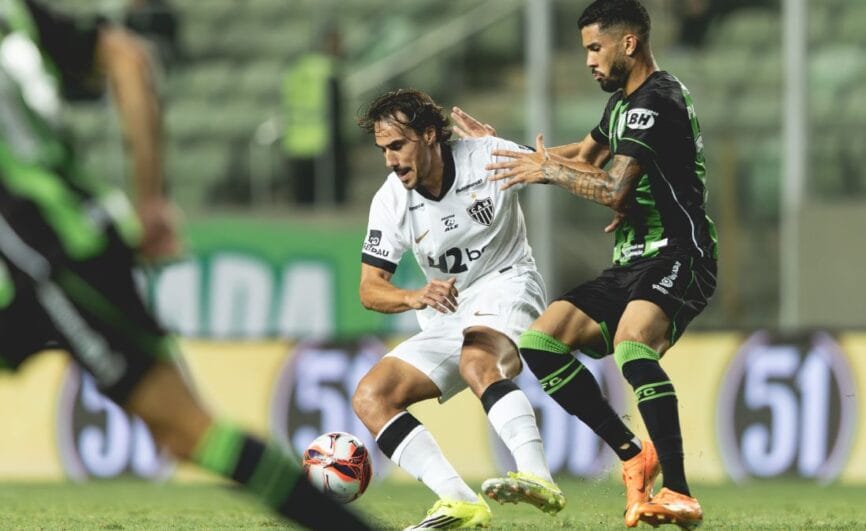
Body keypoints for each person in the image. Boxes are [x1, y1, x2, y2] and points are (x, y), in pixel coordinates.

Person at [0, 2, 367, 530]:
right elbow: (127, 57)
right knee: (188, 431)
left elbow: (126, 59)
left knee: (187, 431)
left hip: (51, 253)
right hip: (54, 243)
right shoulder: (17, 12)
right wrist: (150, 200)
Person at [453, 0, 717, 528]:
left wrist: (545, 172)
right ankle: (632, 453)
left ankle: (681, 491)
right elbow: (587, 156)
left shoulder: (656, 99)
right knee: (541, 343)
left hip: (678, 252)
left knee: (633, 344)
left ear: (629, 43)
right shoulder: (622, 105)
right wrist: (504, 151)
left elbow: (612, 185)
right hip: (629, 262)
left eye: (595, 48)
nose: (589, 60)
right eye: (585, 50)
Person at [354, 89, 565, 529]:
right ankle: (459, 501)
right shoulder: (391, 200)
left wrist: (608, 181)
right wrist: (414, 296)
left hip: (508, 283)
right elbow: (371, 289)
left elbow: (558, 166)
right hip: (448, 310)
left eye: (398, 145)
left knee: (477, 360)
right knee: (372, 396)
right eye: (383, 150)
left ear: (429, 135)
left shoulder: (486, 156)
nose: (391, 160)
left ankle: (538, 476)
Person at [281, 26, 347, 206]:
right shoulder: (328, 71)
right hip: (323, 138)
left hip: (295, 137)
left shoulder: (297, 67)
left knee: (302, 203)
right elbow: (336, 109)